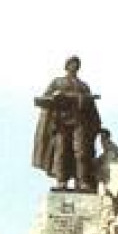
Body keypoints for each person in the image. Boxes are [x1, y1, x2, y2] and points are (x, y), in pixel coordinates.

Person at [31, 56, 102, 191]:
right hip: (61, 123)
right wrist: (59, 96)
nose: (74, 66)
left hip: (79, 123)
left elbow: (92, 108)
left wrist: (97, 125)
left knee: (81, 152)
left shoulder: (83, 86)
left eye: (77, 64)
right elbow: (45, 98)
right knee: (61, 151)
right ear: (67, 65)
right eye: (72, 63)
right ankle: (61, 181)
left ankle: (81, 181)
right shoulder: (57, 82)